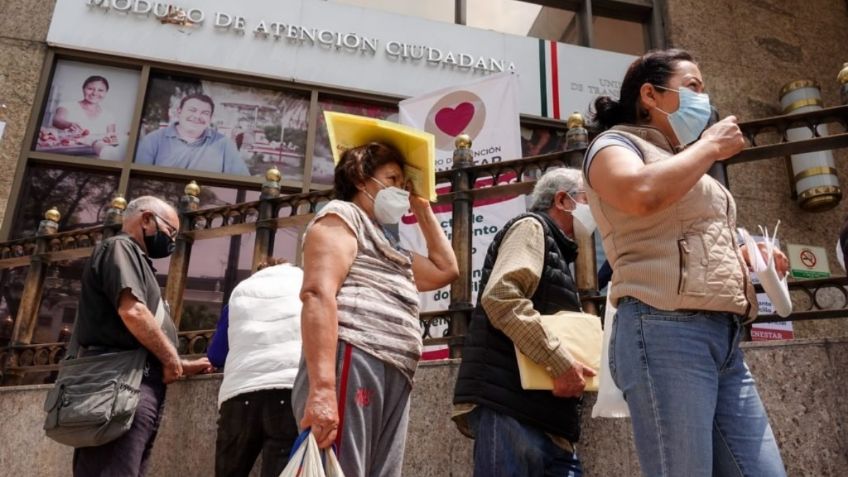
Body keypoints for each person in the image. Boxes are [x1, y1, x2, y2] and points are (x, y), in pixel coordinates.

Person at [583, 49, 789, 477]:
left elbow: (690, 233)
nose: (705, 97)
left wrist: (749, 255)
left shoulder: (683, 160)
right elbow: (640, 194)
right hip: (665, 329)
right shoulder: (613, 145)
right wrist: (710, 146)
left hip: (725, 338)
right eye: (693, 86)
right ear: (650, 95)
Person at [292, 142, 459, 477]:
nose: (399, 190)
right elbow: (317, 294)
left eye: (403, 184)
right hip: (356, 356)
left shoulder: (390, 243)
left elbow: (446, 269)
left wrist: (422, 207)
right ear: (360, 178)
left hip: (395, 369)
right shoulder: (341, 216)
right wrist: (323, 390)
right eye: (392, 179)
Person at [452, 168, 596, 477]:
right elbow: (502, 297)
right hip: (513, 413)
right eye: (590, 200)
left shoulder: (555, 247)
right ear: (563, 200)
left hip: (546, 422)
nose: (597, 210)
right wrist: (560, 362)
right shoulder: (532, 227)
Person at [72, 196, 213, 476]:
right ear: (146, 219)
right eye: (170, 232)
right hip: (118, 384)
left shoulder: (137, 260)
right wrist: (172, 359)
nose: (171, 241)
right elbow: (133, 312)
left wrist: (179, 364)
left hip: (132, 384)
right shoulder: (120, 247)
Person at [208, 258, 303, 477]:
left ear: (259, 271)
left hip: (239, 395)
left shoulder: (241, 291)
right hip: (288, 391)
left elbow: (216, 355)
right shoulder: (304, 281)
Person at [135, 93, 250, 175]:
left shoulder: (223, 144)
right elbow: (136, 176)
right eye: (192, 110)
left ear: (210, 118)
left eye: (205, 113)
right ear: (179, 112)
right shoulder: (153, 140)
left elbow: (243, 179)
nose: (197, 116)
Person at [50, 75, 119, 158]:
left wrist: (111, 140)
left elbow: (113, 142)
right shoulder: (67, 105)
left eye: (100, 90)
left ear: (105, 93)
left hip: (97, 158)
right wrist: (69, 124)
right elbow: (57, 120)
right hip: (66, 155)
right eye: (90, 89)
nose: (95, 93)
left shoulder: (109, 115)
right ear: (83, 89)